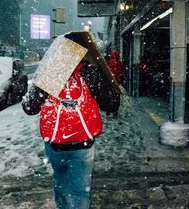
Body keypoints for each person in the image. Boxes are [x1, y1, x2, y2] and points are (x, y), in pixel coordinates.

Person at [22, 32, 119, 209]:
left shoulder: (52, 73)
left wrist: (44, 80)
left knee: (60, 183)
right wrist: (103, 75)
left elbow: (29, 107)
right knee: (80, 191)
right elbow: (111, 105)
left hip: (55, 144)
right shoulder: (90, 72)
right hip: (83, 143)